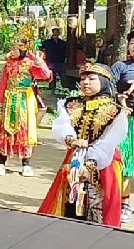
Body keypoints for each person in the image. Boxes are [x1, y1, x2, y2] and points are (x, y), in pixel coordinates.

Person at [39, 63, 128, 227]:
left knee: (98, 209)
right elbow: (62, 125)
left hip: (104, 163)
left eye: (91, 78)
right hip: (74, 160)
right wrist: (71, 139)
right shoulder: (71, 104)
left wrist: (90, 165)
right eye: (83, 78)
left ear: (104, 81)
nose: (86, 82)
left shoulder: (115, 111)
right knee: (70, 203)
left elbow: (109, 141)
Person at [0, 23, 52, 178]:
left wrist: (39, 62)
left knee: (25, 131)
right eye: (12, 48)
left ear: (23, 49)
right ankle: (1, 163)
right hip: (10, 99)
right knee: (5, 129)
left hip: (25, 101)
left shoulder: (31, 63)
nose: (11, 51)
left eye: (14, 48)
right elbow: (2, 85)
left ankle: (26, 164)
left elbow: (46, 76)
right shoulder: (8, 64)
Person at [111, 31, 134, 223]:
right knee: (126, 163)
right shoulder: (120, 67)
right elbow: (107, 88)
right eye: (133, 42)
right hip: (127, 121)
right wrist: (121, 98)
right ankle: (125, 203)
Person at [41, 27, 67, 92]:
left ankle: (64, 88)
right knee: (52, 76)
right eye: (54, 32)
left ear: (58, 33)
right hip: (51, 61)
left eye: (57, 32)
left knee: (63, 75)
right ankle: (52, 89)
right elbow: (41, 49)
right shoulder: (46, 42)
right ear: (52, 33)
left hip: (60, 61)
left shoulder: (62, 43)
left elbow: (66, 51)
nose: (55, 34)